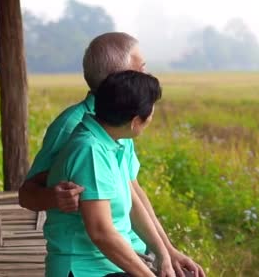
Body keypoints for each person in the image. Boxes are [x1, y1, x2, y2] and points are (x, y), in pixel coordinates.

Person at [19, 33, 204, 277]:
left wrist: (166, 252)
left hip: (123, 254)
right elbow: (27, 195)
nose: (146, 76)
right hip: (89, 261)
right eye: (141, 69)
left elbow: (131, 190)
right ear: (120, 79)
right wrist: (54, 197)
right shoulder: (77, 130)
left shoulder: (114, 126)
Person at [45, 70, 168, 276]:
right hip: (86, 270)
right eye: (151, 112)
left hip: (108, 266)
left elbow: (133, 207)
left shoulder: (111, 143)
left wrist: (166, 254)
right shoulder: (90, 151)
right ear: (135, 122)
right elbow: (102, 233)